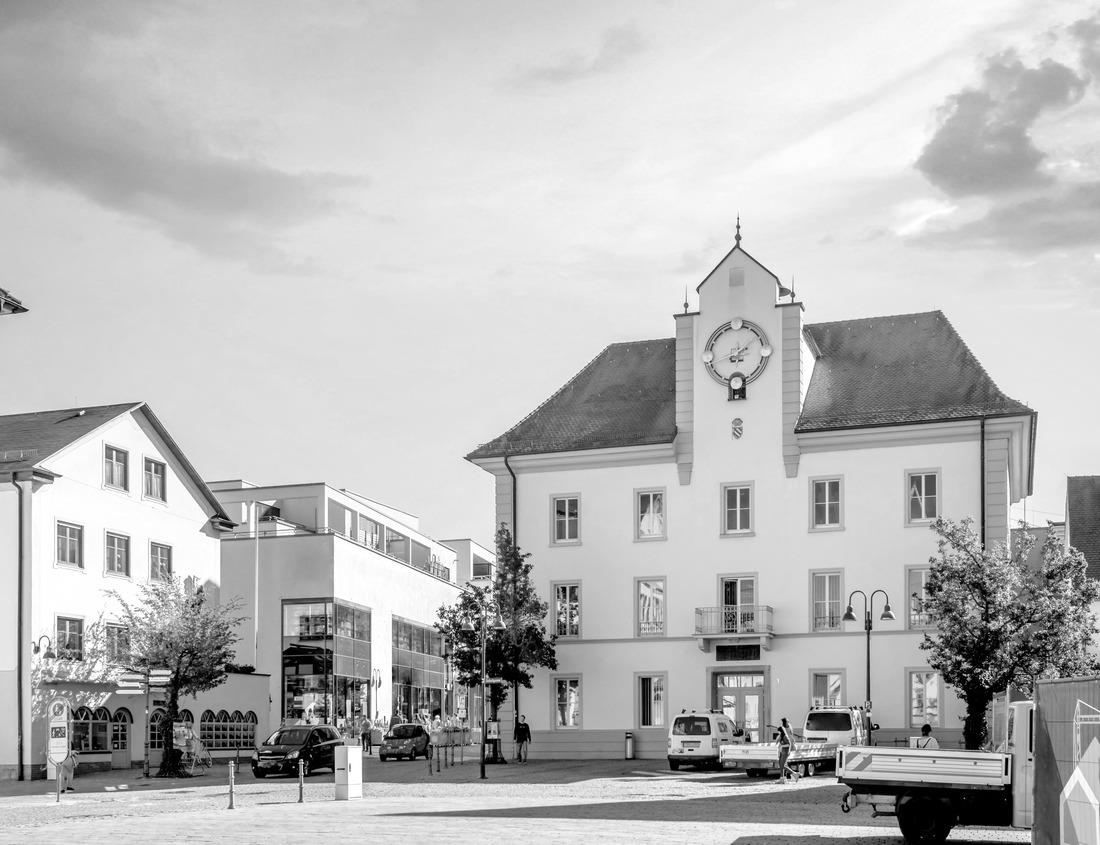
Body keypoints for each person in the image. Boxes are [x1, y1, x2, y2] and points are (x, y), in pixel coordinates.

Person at [777, 717, 798, 781]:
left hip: (786, 746)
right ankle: (782, 778)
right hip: (783, 746)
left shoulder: (786, 728)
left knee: (782, 764)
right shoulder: (786, 728)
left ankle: (791, 775)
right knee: (781, 763)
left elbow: (787, 739)